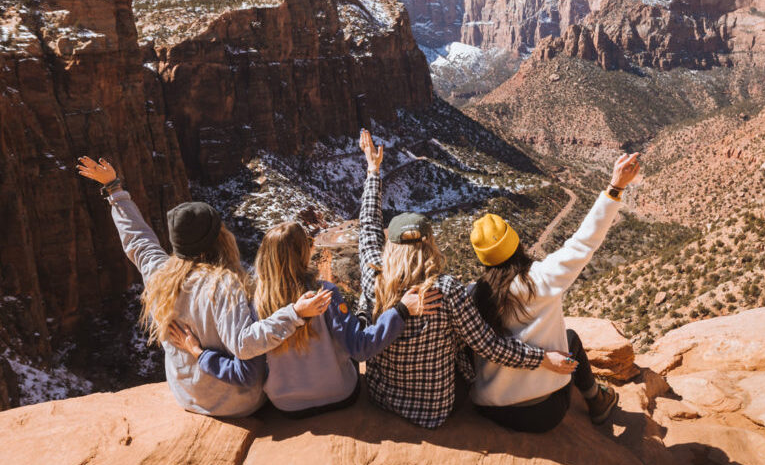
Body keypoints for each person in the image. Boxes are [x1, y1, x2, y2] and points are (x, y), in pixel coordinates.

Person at [76, 156, 330, 418]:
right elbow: (244, 344)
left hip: (187, 396)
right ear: (220, 239)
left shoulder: (158, 273)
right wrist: (295, 314)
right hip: (236, 403)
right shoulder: (223, 285)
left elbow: (137, 239)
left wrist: (114, 190)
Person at [356, 130, 561, 429]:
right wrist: (542, 359)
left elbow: (367, 228)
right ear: (429, 245)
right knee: (466, 332)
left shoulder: (372, 275)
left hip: (382, 396)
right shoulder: (446, 289)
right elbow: (489, 346)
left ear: (391, 247)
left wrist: (373, 172)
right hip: (434, 410)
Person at [168, 221, 442, 417]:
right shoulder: (325, 294)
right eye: (309, 244)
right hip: (340, 396)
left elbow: (247, 372)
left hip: (288, 407)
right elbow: (361, 348)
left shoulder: (255, 304)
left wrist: (198, 353)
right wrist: (401, 311)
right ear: (302, 254)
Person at [468, 153, 641, 433]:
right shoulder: (542, 278)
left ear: (483, 258)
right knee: (570, 338)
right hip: (543, 413)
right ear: (515, 243)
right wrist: (615, 187)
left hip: (489, 408)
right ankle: (597, 400)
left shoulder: (474, 294)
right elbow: (584, 242)